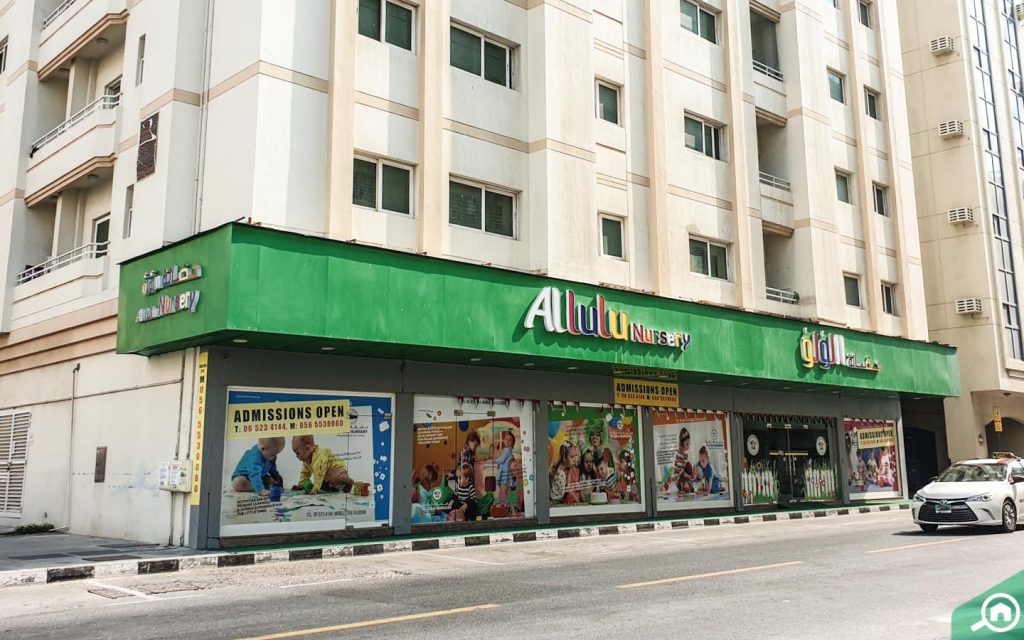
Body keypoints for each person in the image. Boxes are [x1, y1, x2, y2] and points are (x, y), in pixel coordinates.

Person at [674, 428, 697, 494]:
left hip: (685, 477)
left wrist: (694, 473)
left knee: (689, 464)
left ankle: (688, 484)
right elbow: (679, 471)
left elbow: (691, 465)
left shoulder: (686, 454)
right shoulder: (680, 454)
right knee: (688, 489)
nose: (688, 446)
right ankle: (685, 486)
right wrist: (687, 476)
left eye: (689, 444)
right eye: (687, 444)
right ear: (682, 444)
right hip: (679, 479)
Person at [496, 431, 516, 504]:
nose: (508, 441)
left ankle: (503, 505)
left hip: (505, 473)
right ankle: (507, 505)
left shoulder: (507, 450)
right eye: (506, 439)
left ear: (512, 443)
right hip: (507, 473)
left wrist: (496, 461)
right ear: (504, 440)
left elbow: (502, 460)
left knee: (503, 490)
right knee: (506, 491)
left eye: (510, 440)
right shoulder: (510, 450)